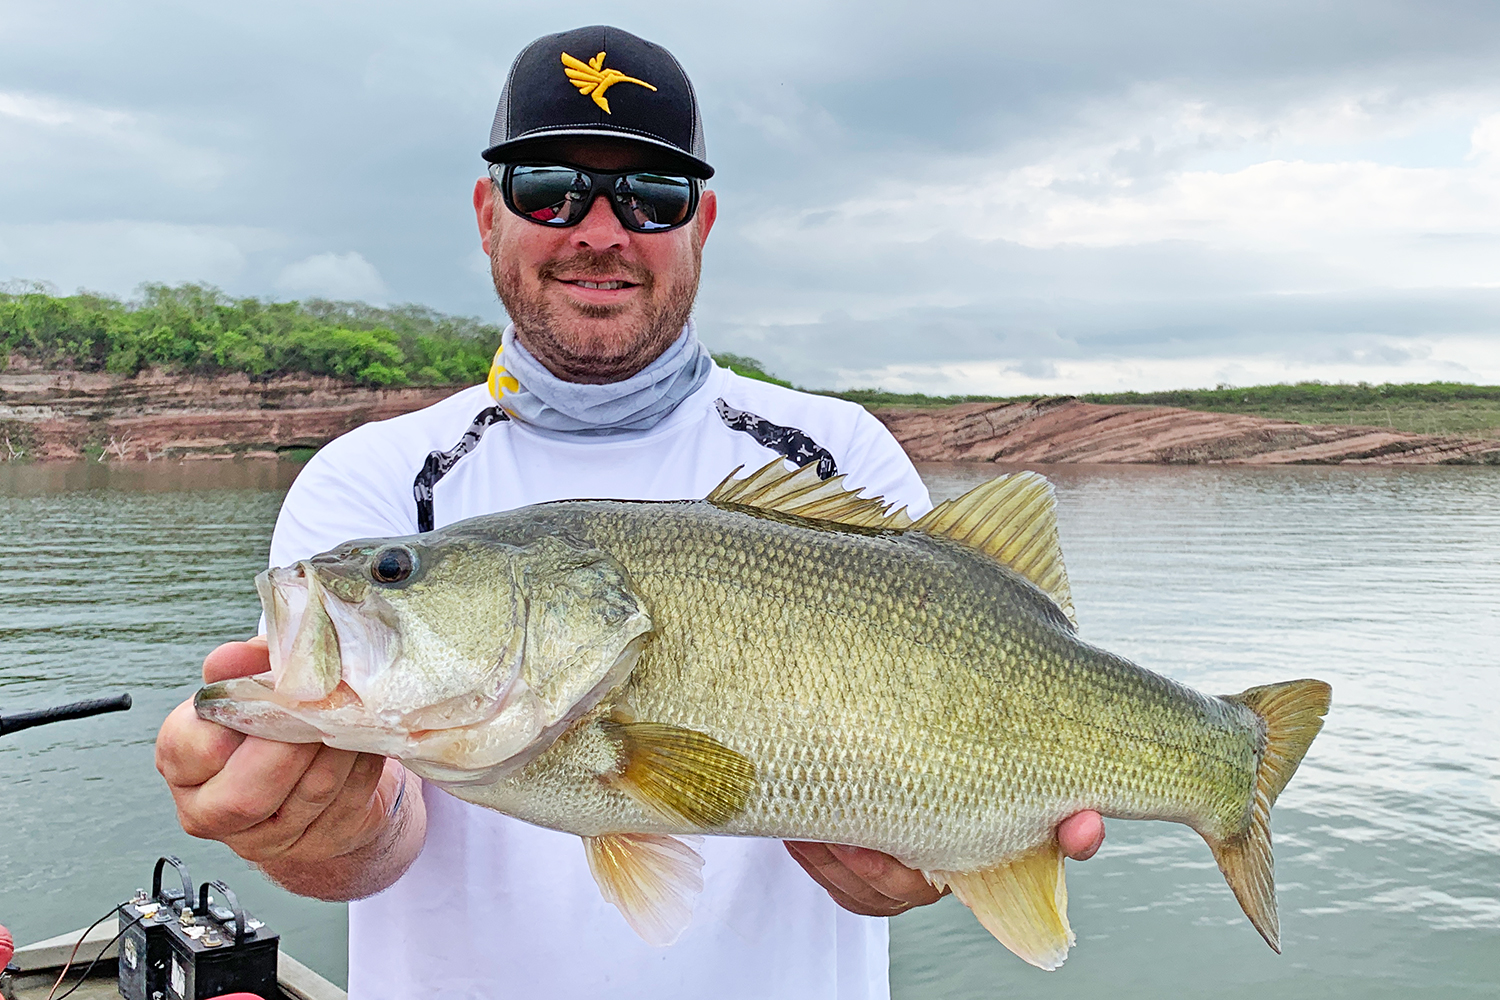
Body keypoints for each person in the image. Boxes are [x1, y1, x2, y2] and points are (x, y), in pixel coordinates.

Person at [155, 24, 1105, 999]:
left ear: (704, 223)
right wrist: (320, 834)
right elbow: (380, 832)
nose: (600, 231)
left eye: (653, 197)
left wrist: (918, 868)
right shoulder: (373, 480)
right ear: (488, 214)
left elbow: (898, 852)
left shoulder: (838, 454)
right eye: (547, 189)